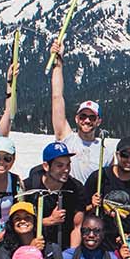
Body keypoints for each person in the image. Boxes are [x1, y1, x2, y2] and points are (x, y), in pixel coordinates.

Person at [48, 39, 105, 184]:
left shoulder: (106, 152)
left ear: (99, 121)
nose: (87, 120)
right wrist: (58, 63)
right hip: (68, 200)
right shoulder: (66, 139)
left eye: (92, 117)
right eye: (83, 116)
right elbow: (57, 97)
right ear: (76, 118)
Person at [23, 141, 84, 250]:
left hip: (64, 247)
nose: (66, 170)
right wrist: (49, 220)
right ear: (46, 166)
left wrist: (71, 255)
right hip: (33, 246)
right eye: (60, 165)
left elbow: (77, 226)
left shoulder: (75, 188)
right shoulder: (29, 187)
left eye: (68, 164)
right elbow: (20, 224)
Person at [84, 137, 130, 222]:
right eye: (124, 155)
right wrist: (92, 206)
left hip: (128, 234)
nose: (129, 160)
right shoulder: (99, 177)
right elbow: (79, 211)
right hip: (100, 233)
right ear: (117, 154)